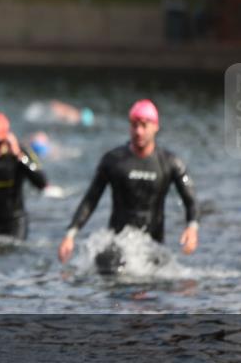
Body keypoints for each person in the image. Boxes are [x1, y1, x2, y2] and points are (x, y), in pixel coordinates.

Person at [58, 99, 199, 272]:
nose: (138, 131)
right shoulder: (113, 160)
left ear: (156, 127)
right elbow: (91, 199)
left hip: (152, 246)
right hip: (119, 242)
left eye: (144, 125)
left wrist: (192, 228)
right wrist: (70, 235)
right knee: (108, 267)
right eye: (134, 125)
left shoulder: (170, 162)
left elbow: (190, 200)